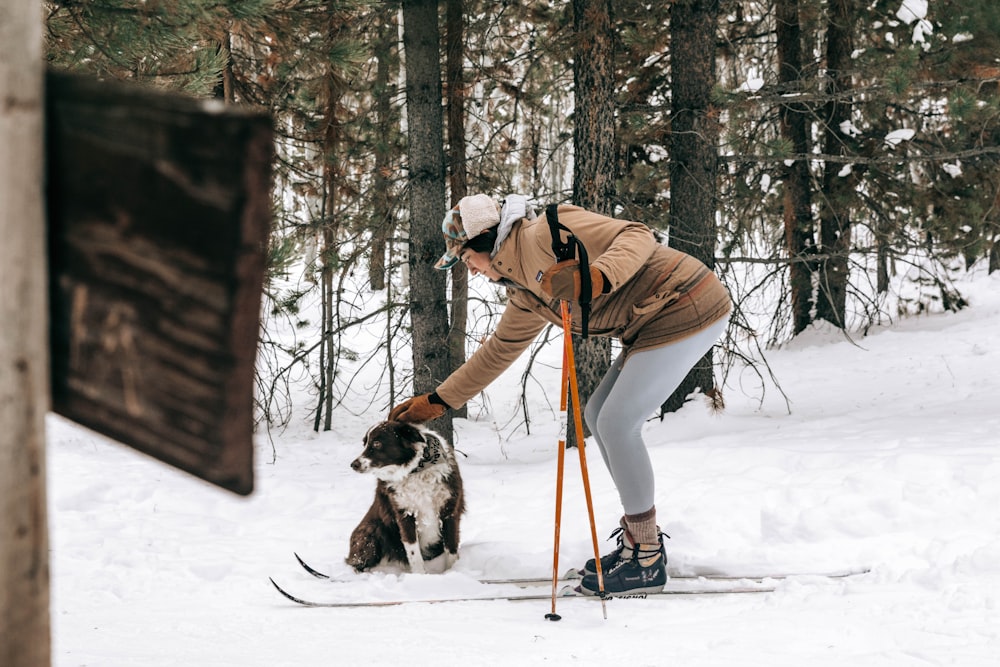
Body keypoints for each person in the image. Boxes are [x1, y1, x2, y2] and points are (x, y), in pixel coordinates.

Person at [389, 193, 731, 595]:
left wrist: (599, 276)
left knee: (618, 424)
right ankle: (640, 542)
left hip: (686, 301)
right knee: (599, 415)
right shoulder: (523, 292)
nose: (472, 270)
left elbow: (637, 236)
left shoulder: (545, 232)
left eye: (467, 259)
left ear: (484, 241)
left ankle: (647, 558)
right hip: (650, 323)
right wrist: (440, 400)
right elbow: (500, 349)